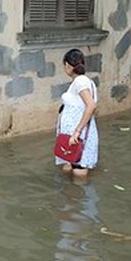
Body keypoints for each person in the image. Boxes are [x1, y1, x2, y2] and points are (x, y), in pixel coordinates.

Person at [54, 49, 98, 178]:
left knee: (79, 174)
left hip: (77, 136)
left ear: (68, 65)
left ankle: (73, 196)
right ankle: (67, 196)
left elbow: (91, 105)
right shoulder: (82, 81)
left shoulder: (80, 82)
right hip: (73, 136)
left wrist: (77, 131)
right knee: (69, 167)